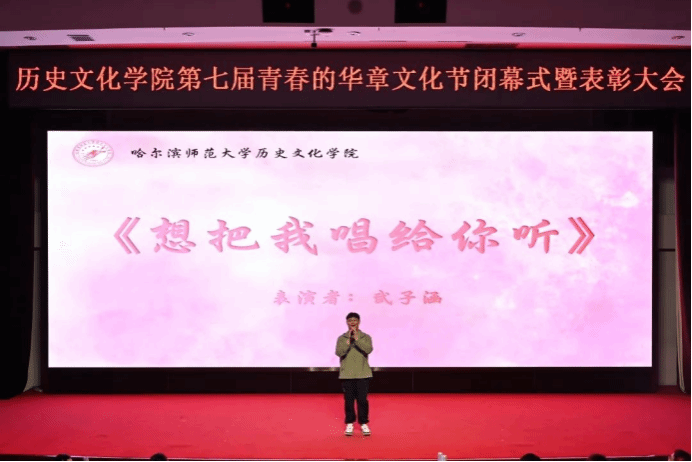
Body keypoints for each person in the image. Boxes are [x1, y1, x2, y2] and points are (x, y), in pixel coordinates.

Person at [335, 312, 374, 436]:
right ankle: (350, 423)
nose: (352, 322)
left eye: (355, 320)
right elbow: (339, 352)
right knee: (349, 401)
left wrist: (357, 339)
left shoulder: (365, 337)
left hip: (363, 373)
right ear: (347, 322)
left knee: (362, 400)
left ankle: (363, 423)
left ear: (359, 322)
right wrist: (348, 342)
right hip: (347, 374)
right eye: (350, 320)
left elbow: (368, 349)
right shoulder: (342, 338)